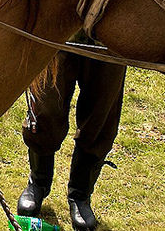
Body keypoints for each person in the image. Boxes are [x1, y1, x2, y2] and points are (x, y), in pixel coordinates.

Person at [17, 52, 126, 231]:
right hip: (59, 35)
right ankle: (38, 182)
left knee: (100, 114)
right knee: (45, 108)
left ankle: (80, 194)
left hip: (110, 40)